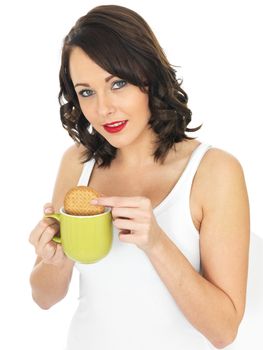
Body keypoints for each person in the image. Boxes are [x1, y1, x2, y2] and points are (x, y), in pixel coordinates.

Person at [29, 5, 250, 350]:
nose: (103, 109)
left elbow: (224, 331)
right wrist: (56, 259)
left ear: (148, 76)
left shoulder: (214, 171)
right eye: (86, 92)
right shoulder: (77, 164)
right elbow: (44, 298)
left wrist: (157, 243)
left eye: (117, 83)